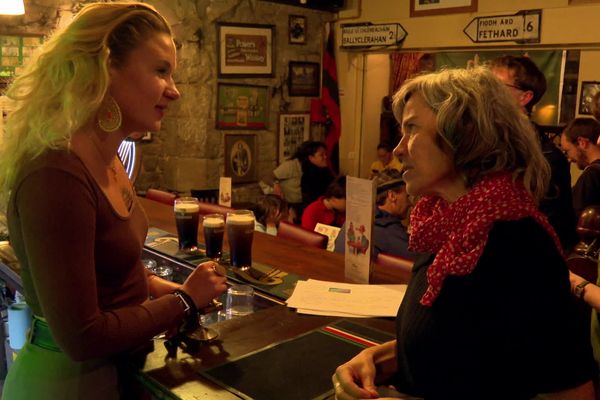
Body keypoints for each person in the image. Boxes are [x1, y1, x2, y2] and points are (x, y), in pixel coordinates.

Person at [0, 3, 228, 398]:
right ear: (105, 69)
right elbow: (82, 337)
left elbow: (108, 268)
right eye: (160, 71)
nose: (174, 91)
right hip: (70, 385)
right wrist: (183, 301)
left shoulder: (107, 156)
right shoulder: (56, 173)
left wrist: (153, 288)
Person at [332, 67, 596, 400]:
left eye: (411, 128)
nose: (398, 149)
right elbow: (461, 346)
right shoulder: (443, 223)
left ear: (465, 135)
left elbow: (573, 395)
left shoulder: (519, 245)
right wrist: (374, 359)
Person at [490, 55, 578, 252]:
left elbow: (554, 231)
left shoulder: (546, 157)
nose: (486, 92)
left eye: (496, 86)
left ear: (525, 97)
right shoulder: (482, 143)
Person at [334, 169, 413, 259]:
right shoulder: (387, 230)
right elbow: (418, 263)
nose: (410, 203)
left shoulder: (354, 219)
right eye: (407, 196)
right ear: (392, 196)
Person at [259, 140, 333, 221]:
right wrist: (275, 184)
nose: (325, 157)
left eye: (326, 154)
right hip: (292, 208)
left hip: (310, 206)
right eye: (321, 155)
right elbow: (267, 177)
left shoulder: (324, 171)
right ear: (311, 158)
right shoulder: (292, 166)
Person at [561, 118, 600, 218]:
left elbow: (576, 218)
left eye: (567, 151)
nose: (569, 159)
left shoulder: (591, 175)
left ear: (582, 142)